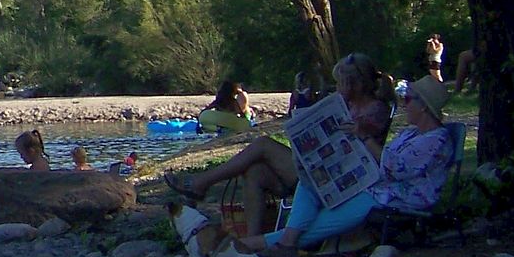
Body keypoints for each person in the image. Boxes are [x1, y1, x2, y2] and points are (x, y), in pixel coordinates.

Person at [166, 53, 396, 236]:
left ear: (356, 84)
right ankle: (251, 243)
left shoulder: (373, 109)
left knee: (263, 144)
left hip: (337, 175)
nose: (338, 88)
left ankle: (200, 183)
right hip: (318, 167)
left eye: (342, 83)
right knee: (254, 172)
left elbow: (355, 143)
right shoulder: (346, 104)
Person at [248, 75, 454, 257]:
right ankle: (278, 243)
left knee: (321, 225)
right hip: (374, 184)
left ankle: (256, 245)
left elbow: (397, 169)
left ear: (423, 107)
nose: (404, 104)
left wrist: (364, 137)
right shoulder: (411, 133)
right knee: (313, 178)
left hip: (393, 196)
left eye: (408, 99)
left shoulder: (436, 140)